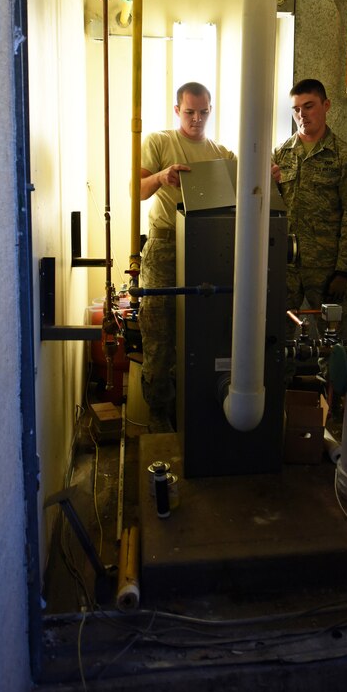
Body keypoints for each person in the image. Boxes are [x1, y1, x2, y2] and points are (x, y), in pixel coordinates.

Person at [139, 82, 236, 432]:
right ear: (177, 110)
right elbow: (136, 189)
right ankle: (158, 415)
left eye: (204, 112)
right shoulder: (159, 142)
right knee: (159, 333)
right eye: (190, 111)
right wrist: (162, 177)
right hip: (165, 246)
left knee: (203, 333)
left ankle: (193, 412)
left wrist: (265, 176)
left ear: (211, 110)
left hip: (208, 248)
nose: (197, 119)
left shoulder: (222, 154)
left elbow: (248, 187)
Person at [272, 78, 347, 342]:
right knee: (277, 342)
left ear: (326, 106)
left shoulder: (344, 158)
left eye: (309, 106)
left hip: (326, 271)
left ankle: (331, 386)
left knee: (333, 344)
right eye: (296, 109)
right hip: (286, 267)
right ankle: (280, 385)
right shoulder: (280, 154)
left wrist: (344, 271)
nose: (302, 115)